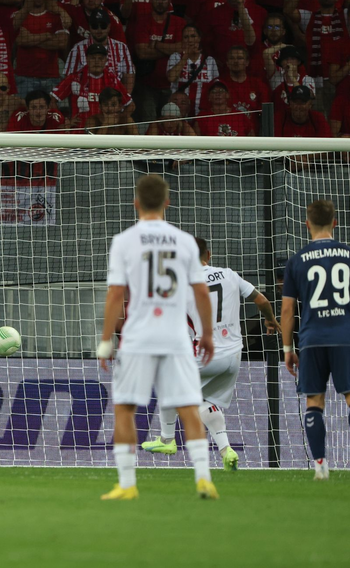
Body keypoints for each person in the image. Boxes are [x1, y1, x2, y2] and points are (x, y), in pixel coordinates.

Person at [97, 174, 218, 500]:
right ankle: (204, 479)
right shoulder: (185, 241)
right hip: (176, 337)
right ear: (167, 202)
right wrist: (207, 334)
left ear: (136, 203)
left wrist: (106, 340)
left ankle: (127, 485)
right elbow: (201, 292)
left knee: (125, 408)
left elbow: (116, 294)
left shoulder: (124, 241)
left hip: (137, 337)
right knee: (188, 407)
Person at [142, 236, 281, 470]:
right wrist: (269, 319)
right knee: (205, 401)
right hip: (234, 356)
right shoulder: (230, 274)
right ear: (209, 255)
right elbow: (262, 300)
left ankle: (167, 440)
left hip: (205, 355)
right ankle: (227, 451)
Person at [281, 200, 350, 481]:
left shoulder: (296, 260)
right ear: (335, 222)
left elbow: (287, 309)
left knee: (314, 401)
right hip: (346, 337)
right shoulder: (348, 255)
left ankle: (320, 465)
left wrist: (288, 348)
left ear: (307, 224)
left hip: (311, 339)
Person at [52, 43, 132, 131]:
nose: (96, 61)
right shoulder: (75, 78)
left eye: (100, 58)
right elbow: (52, 100)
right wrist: (64, 121)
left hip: (104, 131)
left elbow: (131, 105)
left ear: (106, 60)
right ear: (87, 59)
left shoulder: (112, 80)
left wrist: (117, 121)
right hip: (80, 131)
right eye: (93, 58)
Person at [12, 0, 69, 98]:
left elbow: (61, 43)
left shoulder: (55, 16)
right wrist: (46, 36)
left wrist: (31, 38)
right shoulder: (18, 16)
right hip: (24, 77)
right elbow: (19, 40)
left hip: (51, 78)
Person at [64, 8, 135, 95]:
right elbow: (69, 78)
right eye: (95, 26)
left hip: (113, 98)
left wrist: (125, 98)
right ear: (89, 27)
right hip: (87, 98)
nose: (99, 30)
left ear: (109, 27)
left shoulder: (122, 47)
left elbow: (129, 75)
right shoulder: (78, 48)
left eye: (103, 26)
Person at [166, 24, 218, 116]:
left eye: (193, 36)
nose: (190, 40)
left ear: (199, 38)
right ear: (182, 40)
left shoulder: (209, 60)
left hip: (203, 112)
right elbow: (171, 78)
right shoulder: (175, 57)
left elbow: (215, 87)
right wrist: (186, 56)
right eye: (186, 37)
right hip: (179, 111)